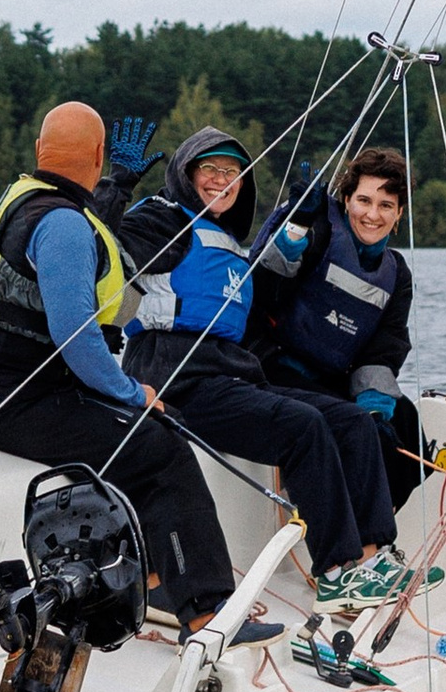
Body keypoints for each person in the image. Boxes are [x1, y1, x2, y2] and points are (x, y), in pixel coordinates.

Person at [0, 99, 278, 642]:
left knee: (157, 427)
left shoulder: (32, 203)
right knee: (163, 450)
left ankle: (155, 576)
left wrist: (115, 187)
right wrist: (130, 390)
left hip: (14, 388)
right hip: (19, 400)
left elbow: (86, 262)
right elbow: (77, 337)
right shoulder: (60, 225)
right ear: (98, 155)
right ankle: (207, 612)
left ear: (40, 152)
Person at [117, 126, 407, 605]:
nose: (221, 180)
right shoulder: (162, 219)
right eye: (209, 168)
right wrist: (116, 186)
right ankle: (336, 571)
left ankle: (369, 562)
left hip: (231, 373)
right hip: (178, 378)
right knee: (304, 425)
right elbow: (105, 252)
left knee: (354, 422)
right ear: (186, 173)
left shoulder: (229, 242)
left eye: (232, 172)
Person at [254, 143, 424, 510]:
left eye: (386, 206)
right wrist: (294, 233)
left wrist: (376, 407)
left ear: (400, 215)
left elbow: (385, 345)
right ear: (346, 199)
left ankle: (378, 526)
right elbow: (263, 292)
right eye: (364, 200)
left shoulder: (397, 274)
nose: (372, 215)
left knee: (408, 432)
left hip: (332, 374)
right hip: (274, 363)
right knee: (350, 426)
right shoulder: (316, 229)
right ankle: (352, 542)